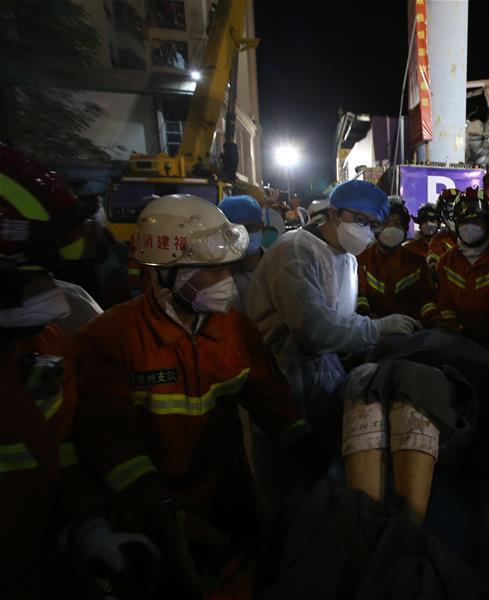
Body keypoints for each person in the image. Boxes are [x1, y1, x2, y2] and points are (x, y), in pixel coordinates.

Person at [75, 194, 308, 597]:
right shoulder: (109, 341)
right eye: (212, 271)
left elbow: (273, 403)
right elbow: (108, 444)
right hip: (144, 514)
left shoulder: (235, 330)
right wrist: (164, 517)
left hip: (226, 504)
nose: (227, 281)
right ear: (165, 273)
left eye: (229, 269)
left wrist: (313, 454)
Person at [0, 143, 158, 599]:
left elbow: (61, 455)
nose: (50, 290)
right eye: (27, 270)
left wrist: (90, 530)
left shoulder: (46, 347)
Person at [245, 180, 419, 422]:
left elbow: (342, 323)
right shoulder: (295, 250)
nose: (368, 232)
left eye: (374, 227)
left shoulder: (348, 260)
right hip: (281, 384)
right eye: (361, 221)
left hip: (325, 380)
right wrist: (376, 328)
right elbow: (314, 330)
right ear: (334, 213)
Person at [435, 187, 489, 349]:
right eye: (464, 222)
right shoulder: (446, 262)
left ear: (488, 223)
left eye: (476, 221)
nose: (470, 228)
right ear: (456, 224)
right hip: (458, 345)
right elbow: (446, 308)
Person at [356, 196, 438, 326]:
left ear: (405, 229)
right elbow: (360, 298)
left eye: (397, 223)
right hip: (374, 333)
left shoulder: (418, 262)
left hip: (411, 333)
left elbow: (427, 301)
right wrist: (370, 321)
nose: (391, 228)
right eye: (385, 223)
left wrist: (432, 323)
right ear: (376, 227)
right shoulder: (362, 259)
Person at [218, 195, 265, 313]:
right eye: (236, 231)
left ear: (262, 226)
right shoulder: (217, 275)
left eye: (250, 227)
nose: (244, 235)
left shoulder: (278, 264)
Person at [427, 187, 461, 267]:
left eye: (457, 209)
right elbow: (433, 265)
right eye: (448, 208)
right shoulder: (439, 239)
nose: (453, 214)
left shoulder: (477, 232)